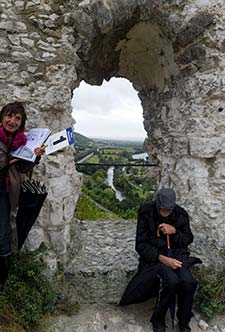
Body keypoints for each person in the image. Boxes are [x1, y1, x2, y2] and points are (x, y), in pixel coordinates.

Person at [120, 187, 201, 332]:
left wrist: (175, 231)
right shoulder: (146, 212)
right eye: (163, 210)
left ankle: (183, 321)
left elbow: (188, 239)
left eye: (169, 210)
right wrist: (161, 258)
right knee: (171, 281)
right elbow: (141, 245)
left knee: (189, 282)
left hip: (177, 254)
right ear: (157, 204)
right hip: (155, 257)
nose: (166, 213)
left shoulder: (181, 214)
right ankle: (157, 319)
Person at [0, 101, 45, 286]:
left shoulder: (20, 141)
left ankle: (2, 281)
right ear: (2, 117)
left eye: (17, 118)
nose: (12, 121)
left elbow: (23, 169)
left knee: (2, 233)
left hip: (5, 192)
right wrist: (11, 158)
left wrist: (34, 155)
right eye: (9, 116)